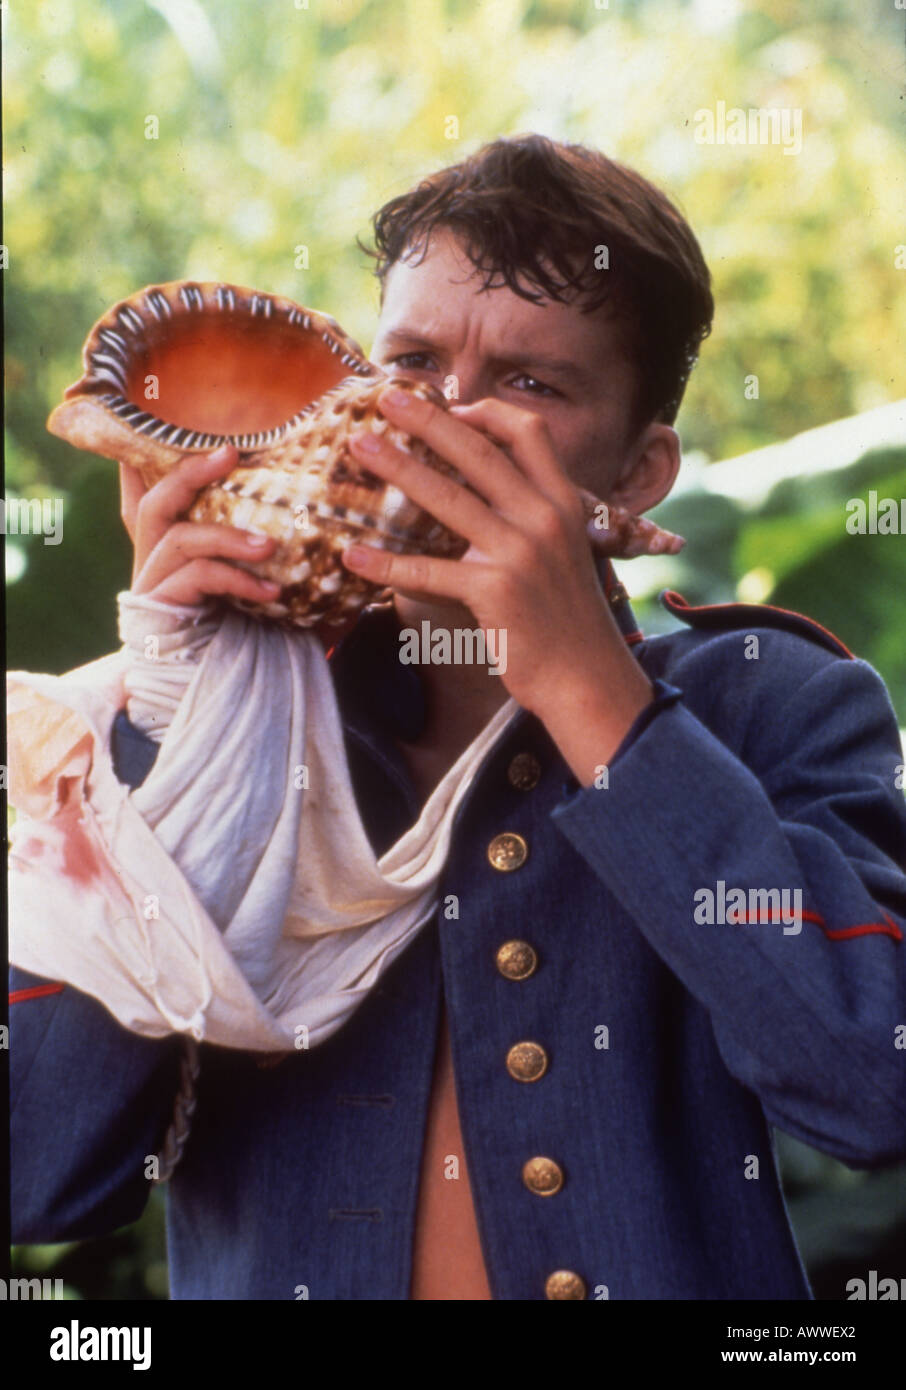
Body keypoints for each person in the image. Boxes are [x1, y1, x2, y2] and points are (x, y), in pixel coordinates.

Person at [10, 134, 906, 1301]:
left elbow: (872, 1086)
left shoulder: (768, 701)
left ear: (637, 473)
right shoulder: (181, 717)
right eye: (415, 362)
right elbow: (40, 1175)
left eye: (531, 382)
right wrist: (182, 724)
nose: (447, 419)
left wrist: (596, 697)